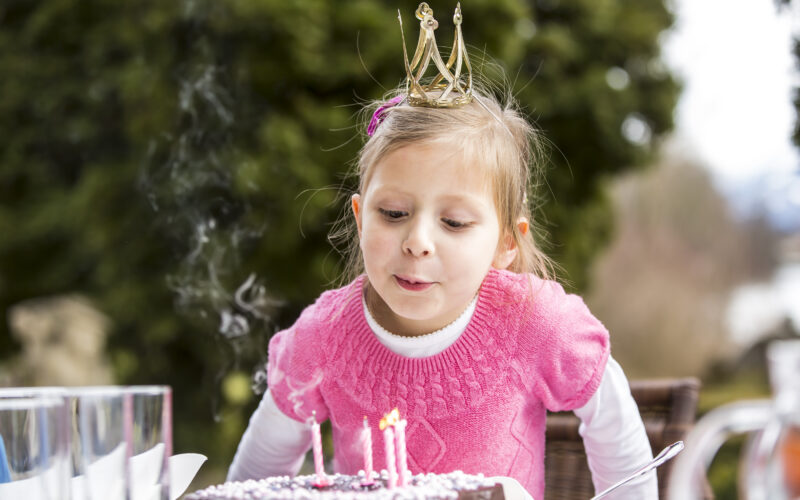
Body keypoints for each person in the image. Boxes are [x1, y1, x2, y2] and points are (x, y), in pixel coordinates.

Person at [229, 4, 657, 499]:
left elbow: (614, 429)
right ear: (358, 216)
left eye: (453, 222)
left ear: (504, 243)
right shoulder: (322, 339)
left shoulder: (534, 322)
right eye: (392, 213)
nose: (417, 241)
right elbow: (251, 478)